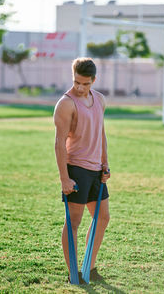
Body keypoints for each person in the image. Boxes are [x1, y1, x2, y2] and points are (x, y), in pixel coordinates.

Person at [53, 57, 110, 283]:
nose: (79, 87)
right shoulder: (66, 104)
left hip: (96, 170)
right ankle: (73, 273)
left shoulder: (100, 100)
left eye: (85, 83)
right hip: (76, 168)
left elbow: (101, 134)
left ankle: (90, 267)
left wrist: (105, 164)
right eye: (77, 82)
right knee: (74, 222)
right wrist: (64, 178)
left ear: (93, 80)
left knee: (102, 218)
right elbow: (59, 143)